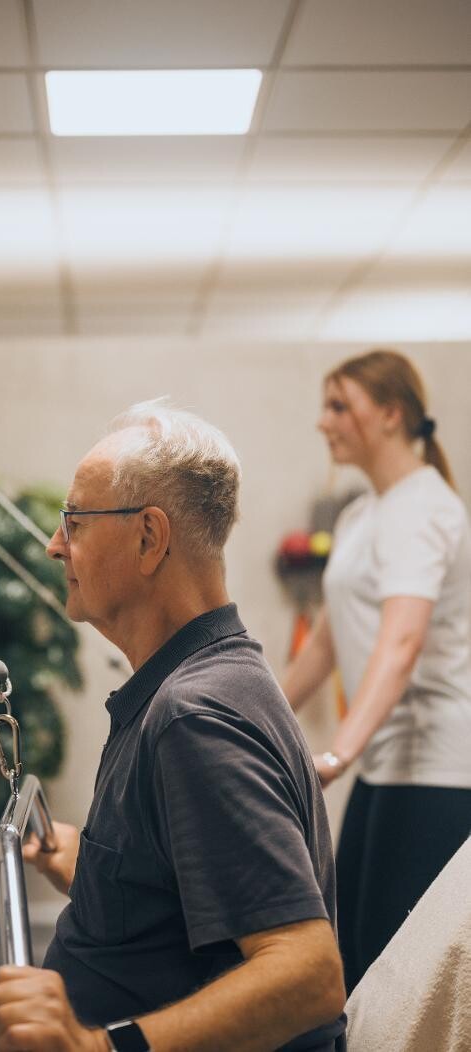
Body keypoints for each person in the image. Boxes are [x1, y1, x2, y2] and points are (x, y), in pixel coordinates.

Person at [0, 398, 346, 1052]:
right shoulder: (208, 680)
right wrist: (98, 868)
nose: (54, 544)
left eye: (75, 520)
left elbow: (307, 974)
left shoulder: (195, 716)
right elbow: (184, 891)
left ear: (149, 536)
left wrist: (99, 1047)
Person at [282, 349, 471, 994]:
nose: (323, 422)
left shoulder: (423, 507)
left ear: (391, 415)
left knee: (402, 980)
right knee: (356, 955)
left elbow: (402, 643)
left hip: (436, 769)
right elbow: (325, 647)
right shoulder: (364, 513)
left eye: (339, 405)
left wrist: (334, 756)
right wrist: (254, 719)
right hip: (386, 766)